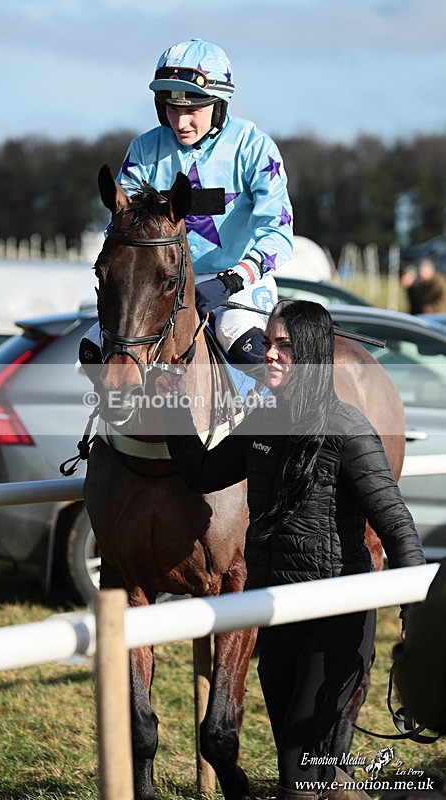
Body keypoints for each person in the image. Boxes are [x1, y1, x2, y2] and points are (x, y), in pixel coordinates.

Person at [155, 299, 426, 800]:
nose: (270, 355)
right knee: (304, 768)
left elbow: (395, 524)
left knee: (299, 773)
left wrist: (419, 616)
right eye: (268, 343)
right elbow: (202, 473)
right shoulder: (260, 421)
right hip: (275, 614)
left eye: (285, 346)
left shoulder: (348, 428)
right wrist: (172, 405)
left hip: (336, 617)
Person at [81, 38, 293, 372]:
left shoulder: (255, 148)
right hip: (160, 285)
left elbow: (279, 235)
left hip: (237, 283)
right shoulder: (144, 150)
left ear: (219, 104)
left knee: (237, 340)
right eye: (173, 108)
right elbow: (120, 229)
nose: (181, 123)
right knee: (93, 349)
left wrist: (229, 282)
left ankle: (281, 419)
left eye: (193, 110)